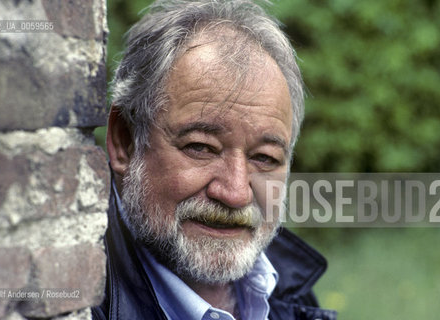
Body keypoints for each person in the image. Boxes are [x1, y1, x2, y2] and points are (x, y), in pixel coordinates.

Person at [92, 0, 336, 319]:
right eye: (201, 147)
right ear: (125, 141)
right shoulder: (69, 303)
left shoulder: (290, 292)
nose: (235, 194)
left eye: (265, 157)